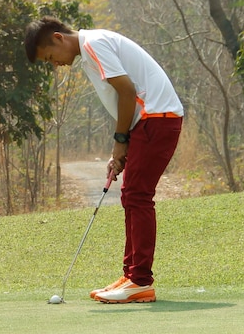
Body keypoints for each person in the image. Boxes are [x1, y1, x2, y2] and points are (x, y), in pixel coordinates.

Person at [24, 17, 183, 303]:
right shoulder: (89, 53)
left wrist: (121, 140)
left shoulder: (94, 44)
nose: (55, 64)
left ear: (59, 38)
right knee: (130, 194)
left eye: (50, 57)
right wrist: (122, 147)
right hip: (148, 121)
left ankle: (140, 281)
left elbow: (127, 91)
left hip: (157, 118)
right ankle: (131, 276)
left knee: (138, 195)